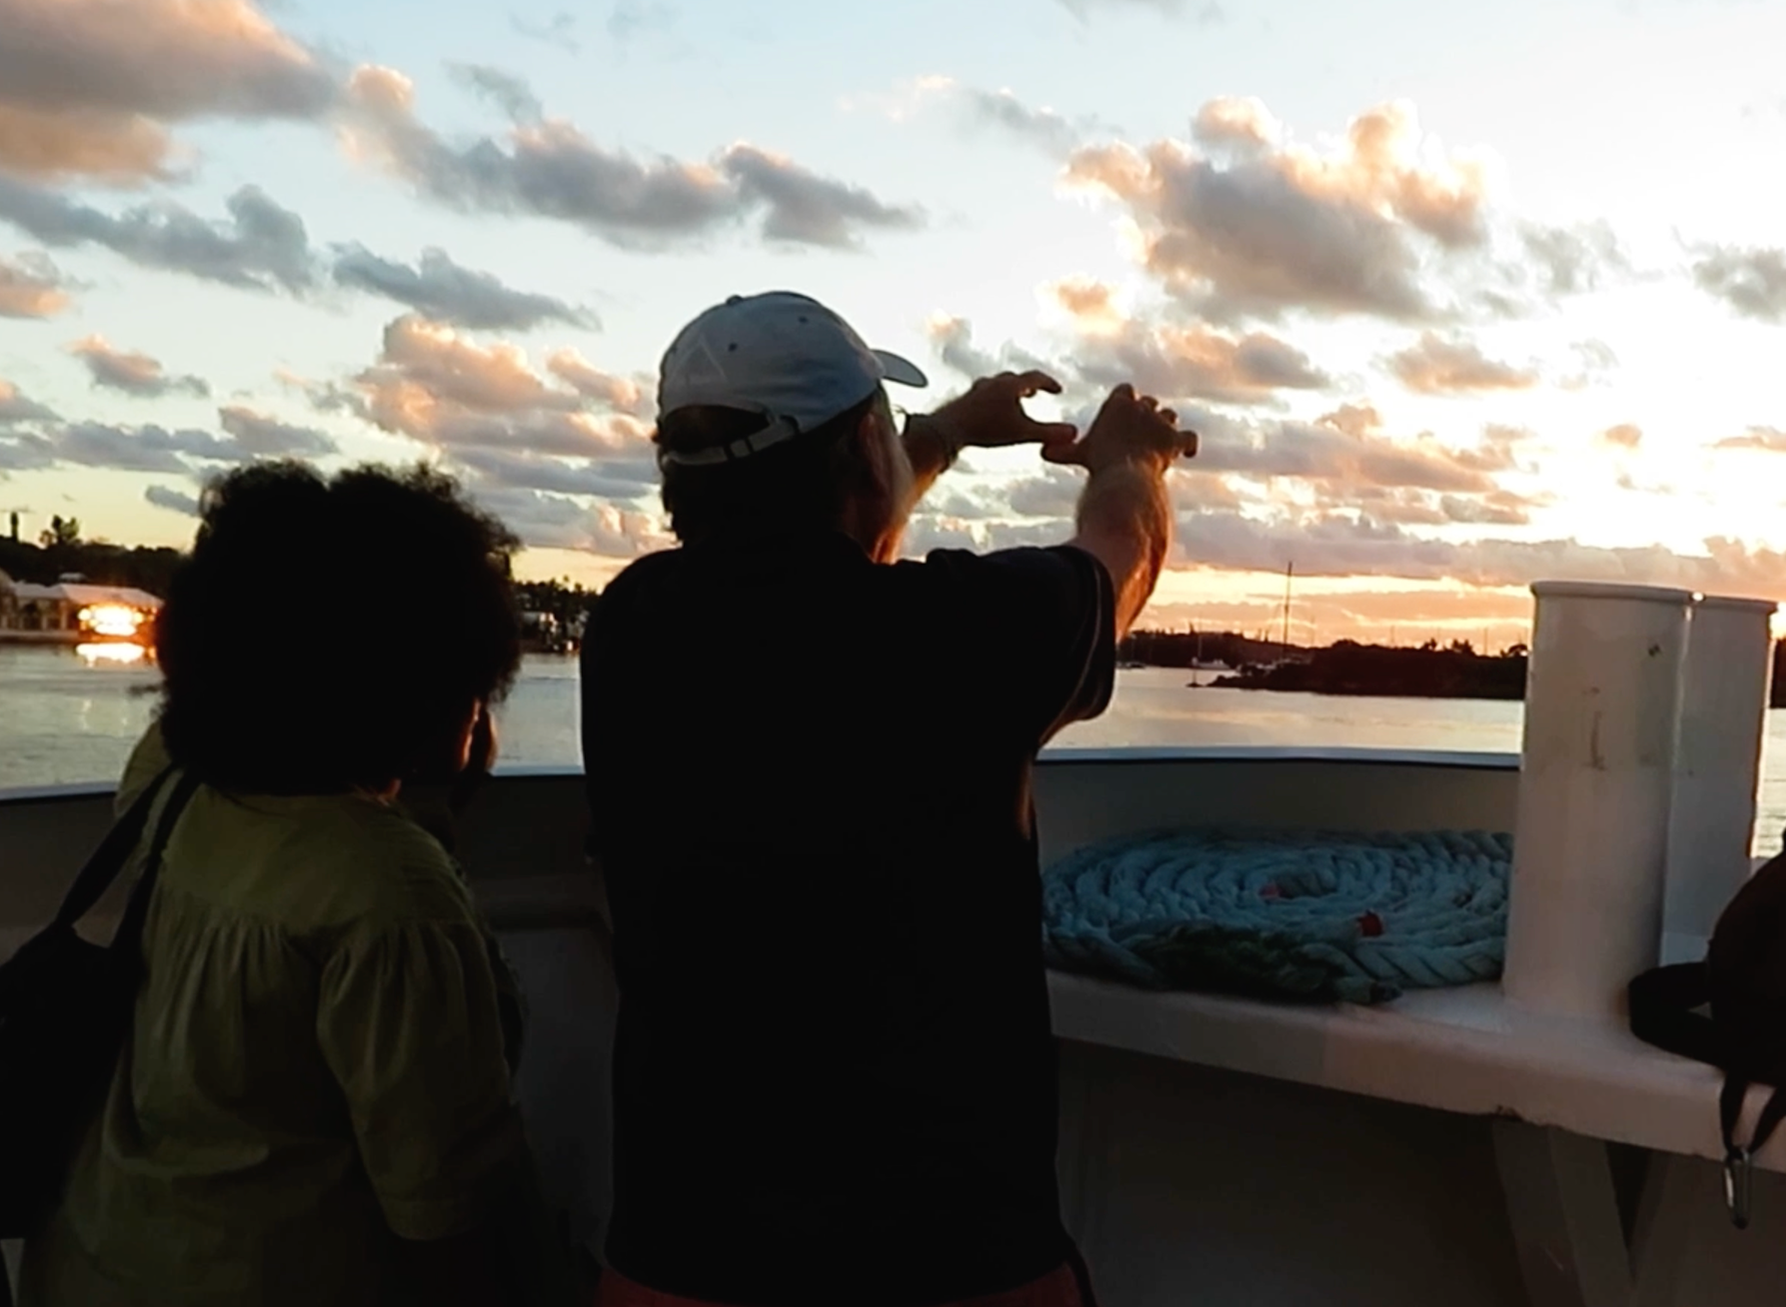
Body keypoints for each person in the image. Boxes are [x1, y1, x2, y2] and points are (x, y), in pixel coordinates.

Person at [582, 291, 1192, 1307]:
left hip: (682, 1259)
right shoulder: (959, 636)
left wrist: (941, 433)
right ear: (868, 449)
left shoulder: (631, 626)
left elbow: (805, 571)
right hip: (948, 1259)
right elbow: (1118, 558)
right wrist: (1132, 458)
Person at [21, 463, 556, 1307]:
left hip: (91, 1261)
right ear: (424, 682)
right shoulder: (392, 894)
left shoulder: (169, 779)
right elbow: (445, 1210)